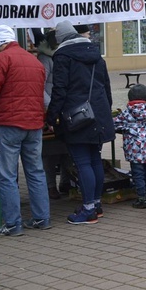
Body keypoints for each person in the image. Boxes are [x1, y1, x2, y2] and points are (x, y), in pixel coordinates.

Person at [0, 25, 50, 235]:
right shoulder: (33, 60)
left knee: (7, 175)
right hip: (35, 124)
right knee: (36, 172)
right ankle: (42, 218)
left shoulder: (0, 59)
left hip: (9, 123)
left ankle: (12, 224)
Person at [47, 21, 115, 225]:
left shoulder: (62, 55)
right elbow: (106, 85)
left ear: (60, 38)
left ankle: (88, 210)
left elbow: (60, 89)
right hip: (98, 113)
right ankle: (95, 204)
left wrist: (52, 117)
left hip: (77, 115)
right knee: (94, 159)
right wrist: (105, 110)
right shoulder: (95, 53)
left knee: (82, 161)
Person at [36, 30, 72, 199]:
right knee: (50, 152)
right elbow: (40, 86)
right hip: (50, 110)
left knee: (67, 150)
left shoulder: (63, 56)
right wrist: (52, 106)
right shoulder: (44, 59)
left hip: (63, 109)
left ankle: (66, 182)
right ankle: (50, 186)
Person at [113, 84, 146, 208]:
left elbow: (115, 124)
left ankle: (141, 198)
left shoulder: (127, 113)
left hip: (135, 151)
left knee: (138, 175)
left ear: (129, 99)